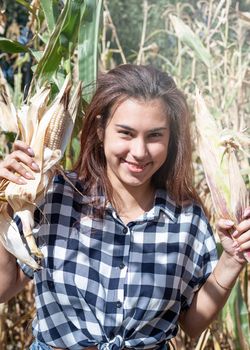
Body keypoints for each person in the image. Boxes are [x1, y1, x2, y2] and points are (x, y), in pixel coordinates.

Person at [0, 64, 249, 350]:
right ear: (101, 129)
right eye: (126, 133)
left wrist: (232, 259)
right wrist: (4, 201)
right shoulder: (55, 196)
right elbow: (4, 287)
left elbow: (191, 324)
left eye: (155, 135)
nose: (140, 152)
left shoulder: (186, 218)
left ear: (171, 138)